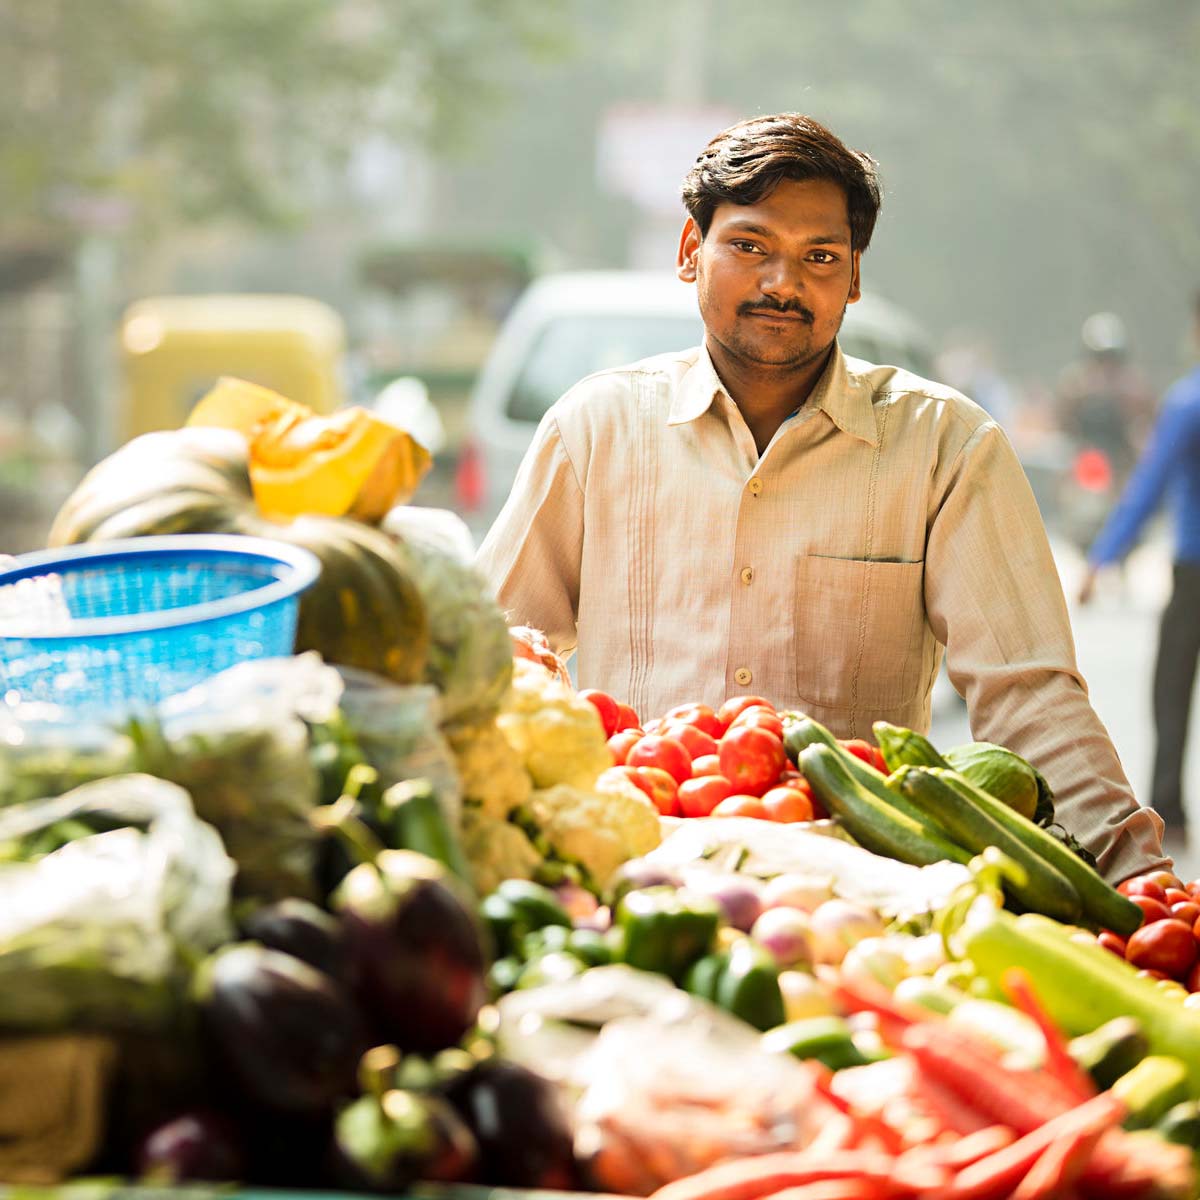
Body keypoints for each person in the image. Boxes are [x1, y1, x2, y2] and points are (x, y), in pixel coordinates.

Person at [476, 112, 1166, 882]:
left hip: (855, 894)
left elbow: (1028, 693)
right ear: (688, 251)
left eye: (821, 256)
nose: (784, 282)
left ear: (856, 278)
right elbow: (494, 664)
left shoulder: (945, 446)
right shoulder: (593, 429)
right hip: (625, 874)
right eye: (749, 246)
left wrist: (1138, 880)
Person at [1078, 293, 1200, 853]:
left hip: (1194, 572)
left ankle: (1169, 812)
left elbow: (1147, 486)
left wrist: (1101, 559)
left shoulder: (1188, 400)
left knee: (1172, 690)